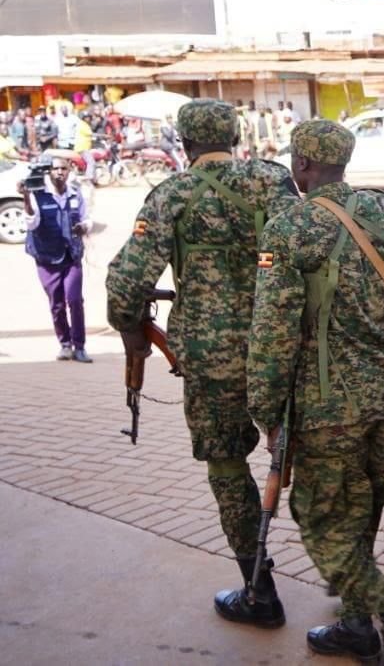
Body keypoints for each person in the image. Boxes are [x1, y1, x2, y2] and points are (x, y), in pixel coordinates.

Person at [247, 120, 384, 665]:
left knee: (321, 518)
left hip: (328, 400)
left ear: (301, 165)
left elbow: (273, 329)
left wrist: (264, 407)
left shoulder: (290, 226)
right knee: (362, 508)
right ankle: (355, 626)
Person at [105, 99, 299, 627]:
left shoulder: (172, 194)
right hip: (284, 347)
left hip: (214, 361)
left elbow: (127, 282)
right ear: (236, 134)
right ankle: (349, 583)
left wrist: (131, 331)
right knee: (310, 459)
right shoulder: (274, 181)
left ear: (184, 142)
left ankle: (259, 591)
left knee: (228, 466)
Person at [22, 157, 92, 362]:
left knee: (75, 300)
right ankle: (65, 343)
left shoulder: (76, 193)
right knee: (57, 303)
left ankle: (79, 346)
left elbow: (86, 218)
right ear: (48, 172)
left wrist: (84, 227)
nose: (59, 172)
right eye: (55, 169)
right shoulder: (38, 194)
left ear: (69, 171)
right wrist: (26, 199)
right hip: (46, 257)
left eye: (64, 168)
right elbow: (32, 224)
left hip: (71, 256)